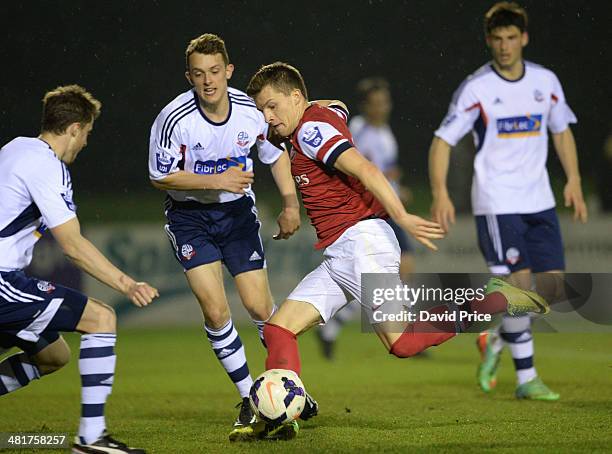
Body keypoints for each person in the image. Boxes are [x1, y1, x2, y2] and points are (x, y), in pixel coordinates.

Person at [245, 61, 551, 439]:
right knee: (277, 330)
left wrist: (403, 216)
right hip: (341, 252)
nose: (267, 116)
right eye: (261, 109)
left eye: (272, 106)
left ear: (295, 97)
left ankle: (494, 301)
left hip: (363, 244)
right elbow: (337, 105)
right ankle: (287, 411)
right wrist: (300, 107)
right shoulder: (317, 117)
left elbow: (367, 170)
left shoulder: (309, 131)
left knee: (403, 343)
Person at [428, 2, 587, 400]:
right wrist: (440, 192)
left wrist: (574, 180)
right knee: (518, 288)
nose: (504, 46)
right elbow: (441, 141)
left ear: (524, 39)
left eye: (511, 38)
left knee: (549, 290)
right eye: (497, 39)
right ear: (488, 41)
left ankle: (495, 340)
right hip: (497, 203)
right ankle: (526, 379)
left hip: (540, 200)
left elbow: (562, 131)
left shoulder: (546, 81)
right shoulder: (477, 88)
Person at [147, 34, 300, 440]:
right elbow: (161, 176)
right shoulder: (173, 119)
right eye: (198, 74)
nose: (207, 81)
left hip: (236, 216)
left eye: (214, 71)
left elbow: (275, 155)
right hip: (189, 218)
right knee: (215, 312)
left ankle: (286, 394)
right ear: (189, 76)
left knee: (260, 307)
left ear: (228, 71)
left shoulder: (251, 112)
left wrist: (290, 203)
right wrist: (217, 179)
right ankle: (251, 399)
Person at [0, 85, 159, 453]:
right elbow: (72, 245)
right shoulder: (46, 165)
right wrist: (126, 283)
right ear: (73, 128)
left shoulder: (15, 148)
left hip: (10, 279)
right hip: (3, 281)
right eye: (86, 133)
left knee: (53, 356)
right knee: (101, 318)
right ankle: (91, 439)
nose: (85, 143)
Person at [316, 77, 416, 360]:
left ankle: (336, 326)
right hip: (368, 208)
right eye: (376, 103)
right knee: (387, 271)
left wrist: (398, 188)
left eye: (385, 102)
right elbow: (354, 167)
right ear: (364, 106)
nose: (382, 108)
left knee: (388, 272)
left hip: (386, 202)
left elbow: (385, 170)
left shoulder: (385, 133)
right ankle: (402, 329)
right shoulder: (356, 129)